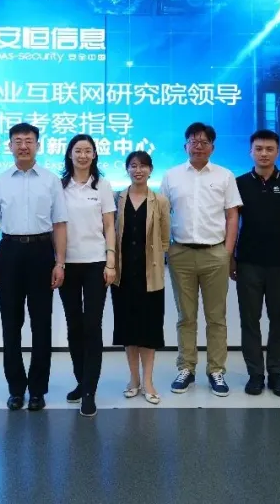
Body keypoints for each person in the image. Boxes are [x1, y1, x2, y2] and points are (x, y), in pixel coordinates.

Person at [0, 123, 68, 412]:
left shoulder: (51, 180)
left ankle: (38, 390)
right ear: (10, 146)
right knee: (11, 323)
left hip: (42, 251)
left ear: (37, 145)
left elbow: (60, 224)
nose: (23, 146)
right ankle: (16, 389)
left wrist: (60, 262)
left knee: (41, 323)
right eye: (17, 141)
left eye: (28, 141)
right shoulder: (0, 181)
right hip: (9, 252)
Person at [160, 122, 241, 398]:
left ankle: (216, 370)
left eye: (204, 142)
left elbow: (232, 215)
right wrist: (166, 249)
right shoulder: (171, 176)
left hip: (215, 253)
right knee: (186, 316)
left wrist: (227, 252)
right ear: (185, 146)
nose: (198, 146)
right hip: (180, 253)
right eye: (193, 141)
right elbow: (162, 215)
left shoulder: (225, 176)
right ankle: (186, 367)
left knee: (216, 317)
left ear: (212, 147)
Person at [234, 130, 280, 398]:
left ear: (277, 152)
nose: (263, 153)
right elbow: (231, 224)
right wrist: (230, 258)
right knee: (249, 321)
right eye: (259, 148)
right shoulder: (239, 183)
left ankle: (276, 373)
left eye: (269, 149)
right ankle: (255, 374)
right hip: (248, 263)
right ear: (250, 151)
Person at [59, 134, 117, 417]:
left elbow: (110, 226)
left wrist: (111, 261)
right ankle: (80, 381)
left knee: (92, 326)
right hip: (67, 265)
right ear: (69, 154)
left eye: (88, 151)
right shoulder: (59, 186)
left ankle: (89, 392)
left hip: (96, 264)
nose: (82, 155)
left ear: (94, 155)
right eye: (77, 150)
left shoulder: (102, 185)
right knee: (74, 325)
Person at [111, 151, 170, 405]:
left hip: (150, 275)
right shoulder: (117, 198)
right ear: (127, 169)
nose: (138, 170)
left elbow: (165, 239)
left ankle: (148, 381)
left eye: (143, 166)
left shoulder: (160, 201)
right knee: (128, 329)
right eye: (133, 166)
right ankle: (133, 379)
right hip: (123, 275)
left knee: (149, 329)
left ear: (150, 170)